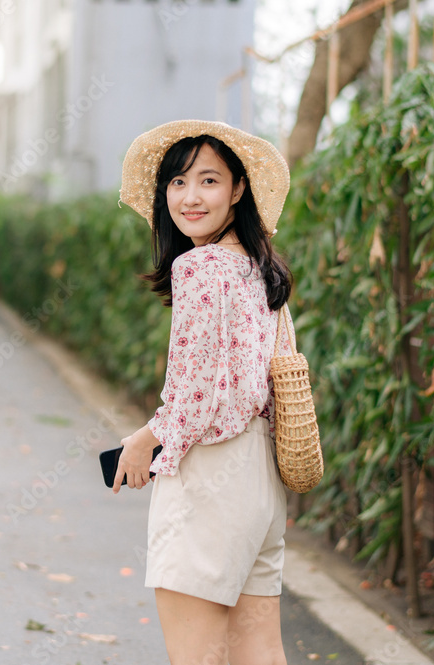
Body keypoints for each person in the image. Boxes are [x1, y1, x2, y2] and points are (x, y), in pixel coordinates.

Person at [114, 120, 296, 665]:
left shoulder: (199, 267)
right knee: (259, 654)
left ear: (239, 189)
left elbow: (199, 398)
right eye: (177, 183)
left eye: (209, 181)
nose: (190, 197)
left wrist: (146, 439)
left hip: (210, 477)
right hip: (260, 481)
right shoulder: (261, 271)